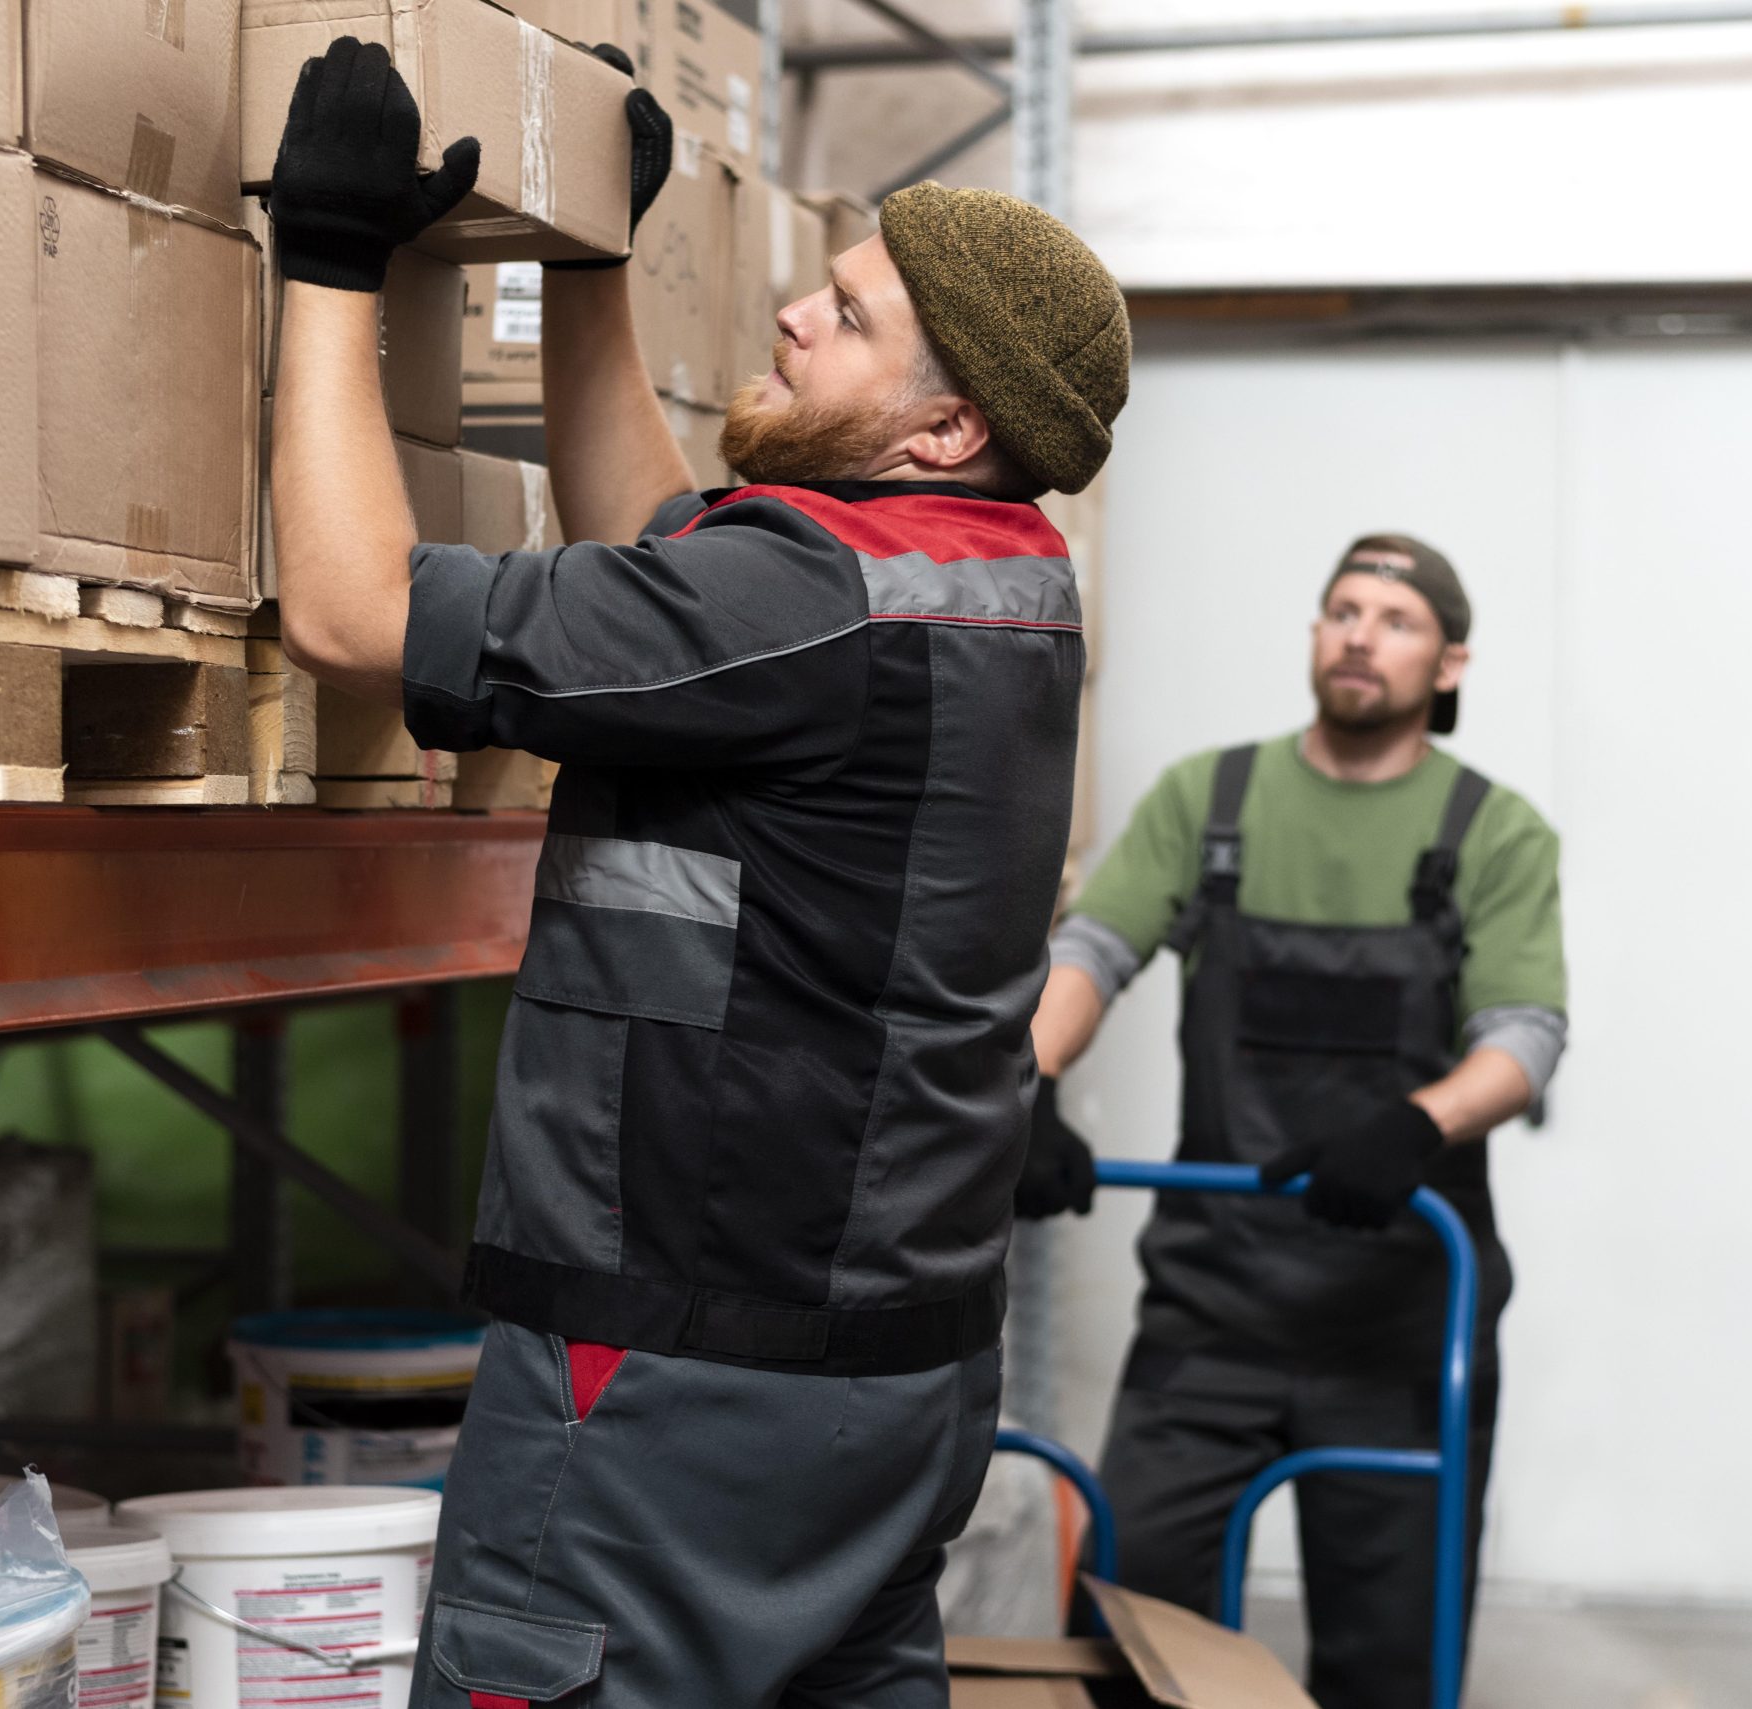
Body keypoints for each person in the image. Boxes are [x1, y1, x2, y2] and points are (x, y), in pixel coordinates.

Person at [261, 36, 1130, 1709]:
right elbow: (670, 554)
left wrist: (328, 261)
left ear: (948, 424)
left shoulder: (811, 609)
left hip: (676, 1378)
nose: (798, 311)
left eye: (850, 316)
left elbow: (350, 613)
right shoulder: (995, 580)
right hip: (893, 1377)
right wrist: (593, 273)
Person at [1021, 536, 1567, 1709]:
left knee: (1387, 1666)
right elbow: (1093, 947)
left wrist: (1416, 1125)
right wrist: (1030, 1080)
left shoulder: (1493, 830)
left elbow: (1524, 1034)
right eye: (1342, 609)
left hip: (1400, 1326)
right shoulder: (1210, 800)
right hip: (1211, 1310)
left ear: (1450, 660)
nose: (1360, 634)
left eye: (1396, 619)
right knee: (1126, 1633)